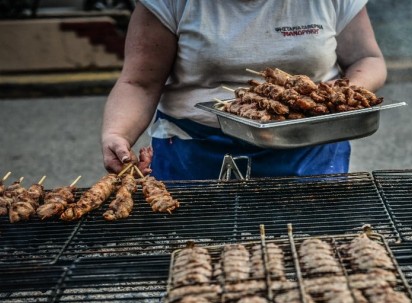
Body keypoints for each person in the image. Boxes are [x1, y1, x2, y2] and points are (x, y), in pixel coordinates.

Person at [101, 0, 387, 180]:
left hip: (310, 148)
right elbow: (139, 82)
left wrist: (338, 95)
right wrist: (117, 133)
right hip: (196, 153)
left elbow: (367, 59)